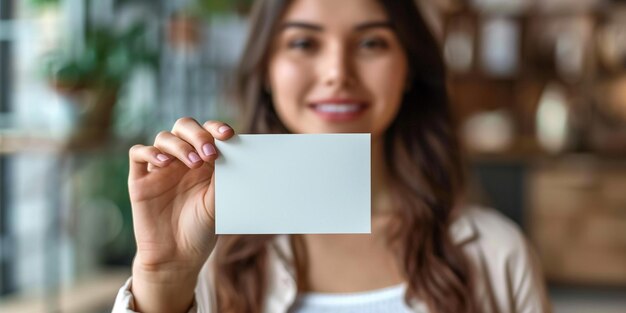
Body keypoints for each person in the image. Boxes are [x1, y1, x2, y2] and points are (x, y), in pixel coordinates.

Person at [113, 0, 552, 312]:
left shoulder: (497, 253)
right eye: (303, 43)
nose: (337, 72)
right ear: (266, 69)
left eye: (371, 43)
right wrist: (163, 276)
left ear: (410, 71)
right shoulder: (205, 256)